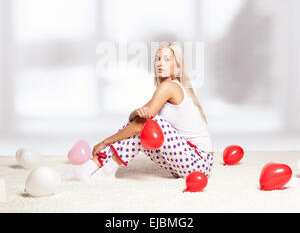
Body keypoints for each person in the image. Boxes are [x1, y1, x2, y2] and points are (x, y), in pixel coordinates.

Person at [62, 41, 213, 182]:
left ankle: (104, 168)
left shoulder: (169, 87)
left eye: (167, 59)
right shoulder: (166, 87)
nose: (160, 63)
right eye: (158, 58)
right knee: (142, 122)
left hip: (199, 164)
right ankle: (91, 167)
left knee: (149, 123)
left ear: (178, 66)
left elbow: (142, 124)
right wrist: (136, 112)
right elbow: (135, 119)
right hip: (185, 163)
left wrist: (104, 142)